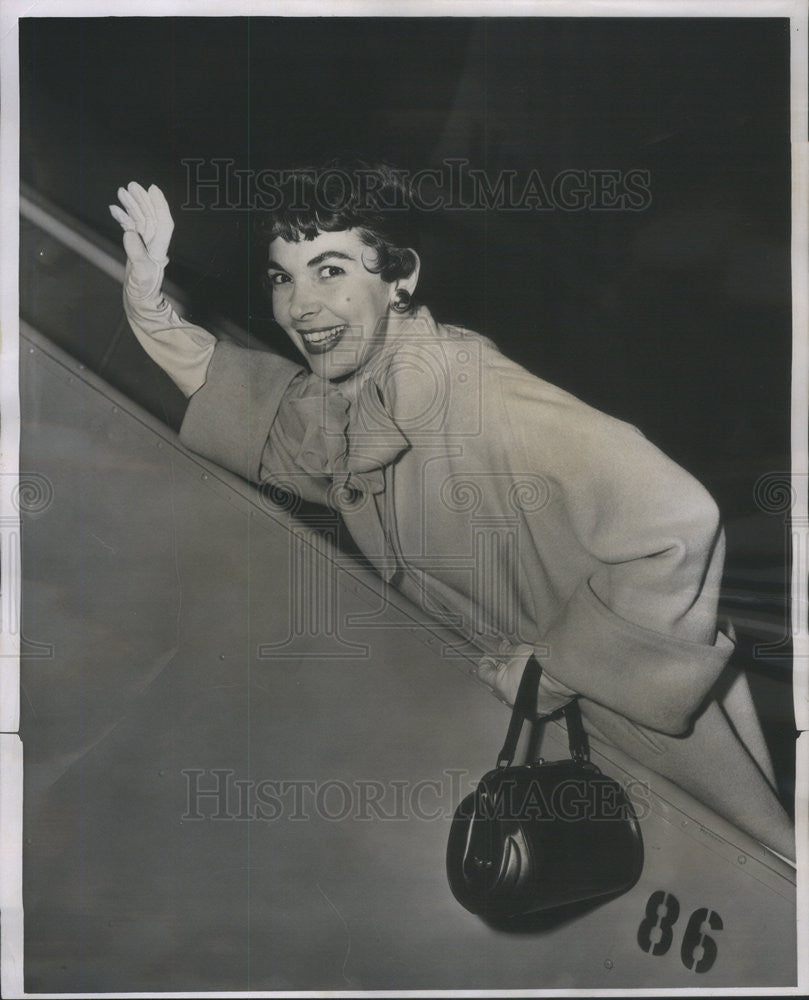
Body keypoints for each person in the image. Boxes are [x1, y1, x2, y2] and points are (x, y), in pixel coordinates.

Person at [110, 165, 794, 859]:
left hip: (635, 728)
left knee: (759, 887)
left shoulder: (477, 396)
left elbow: (677, 518)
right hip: (560, 732)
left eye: (330, 270)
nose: (300, 306)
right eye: (283, 278)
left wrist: (562, 668)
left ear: (400, 277)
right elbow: (266, 414)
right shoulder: (362, 396)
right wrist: (149, 307)